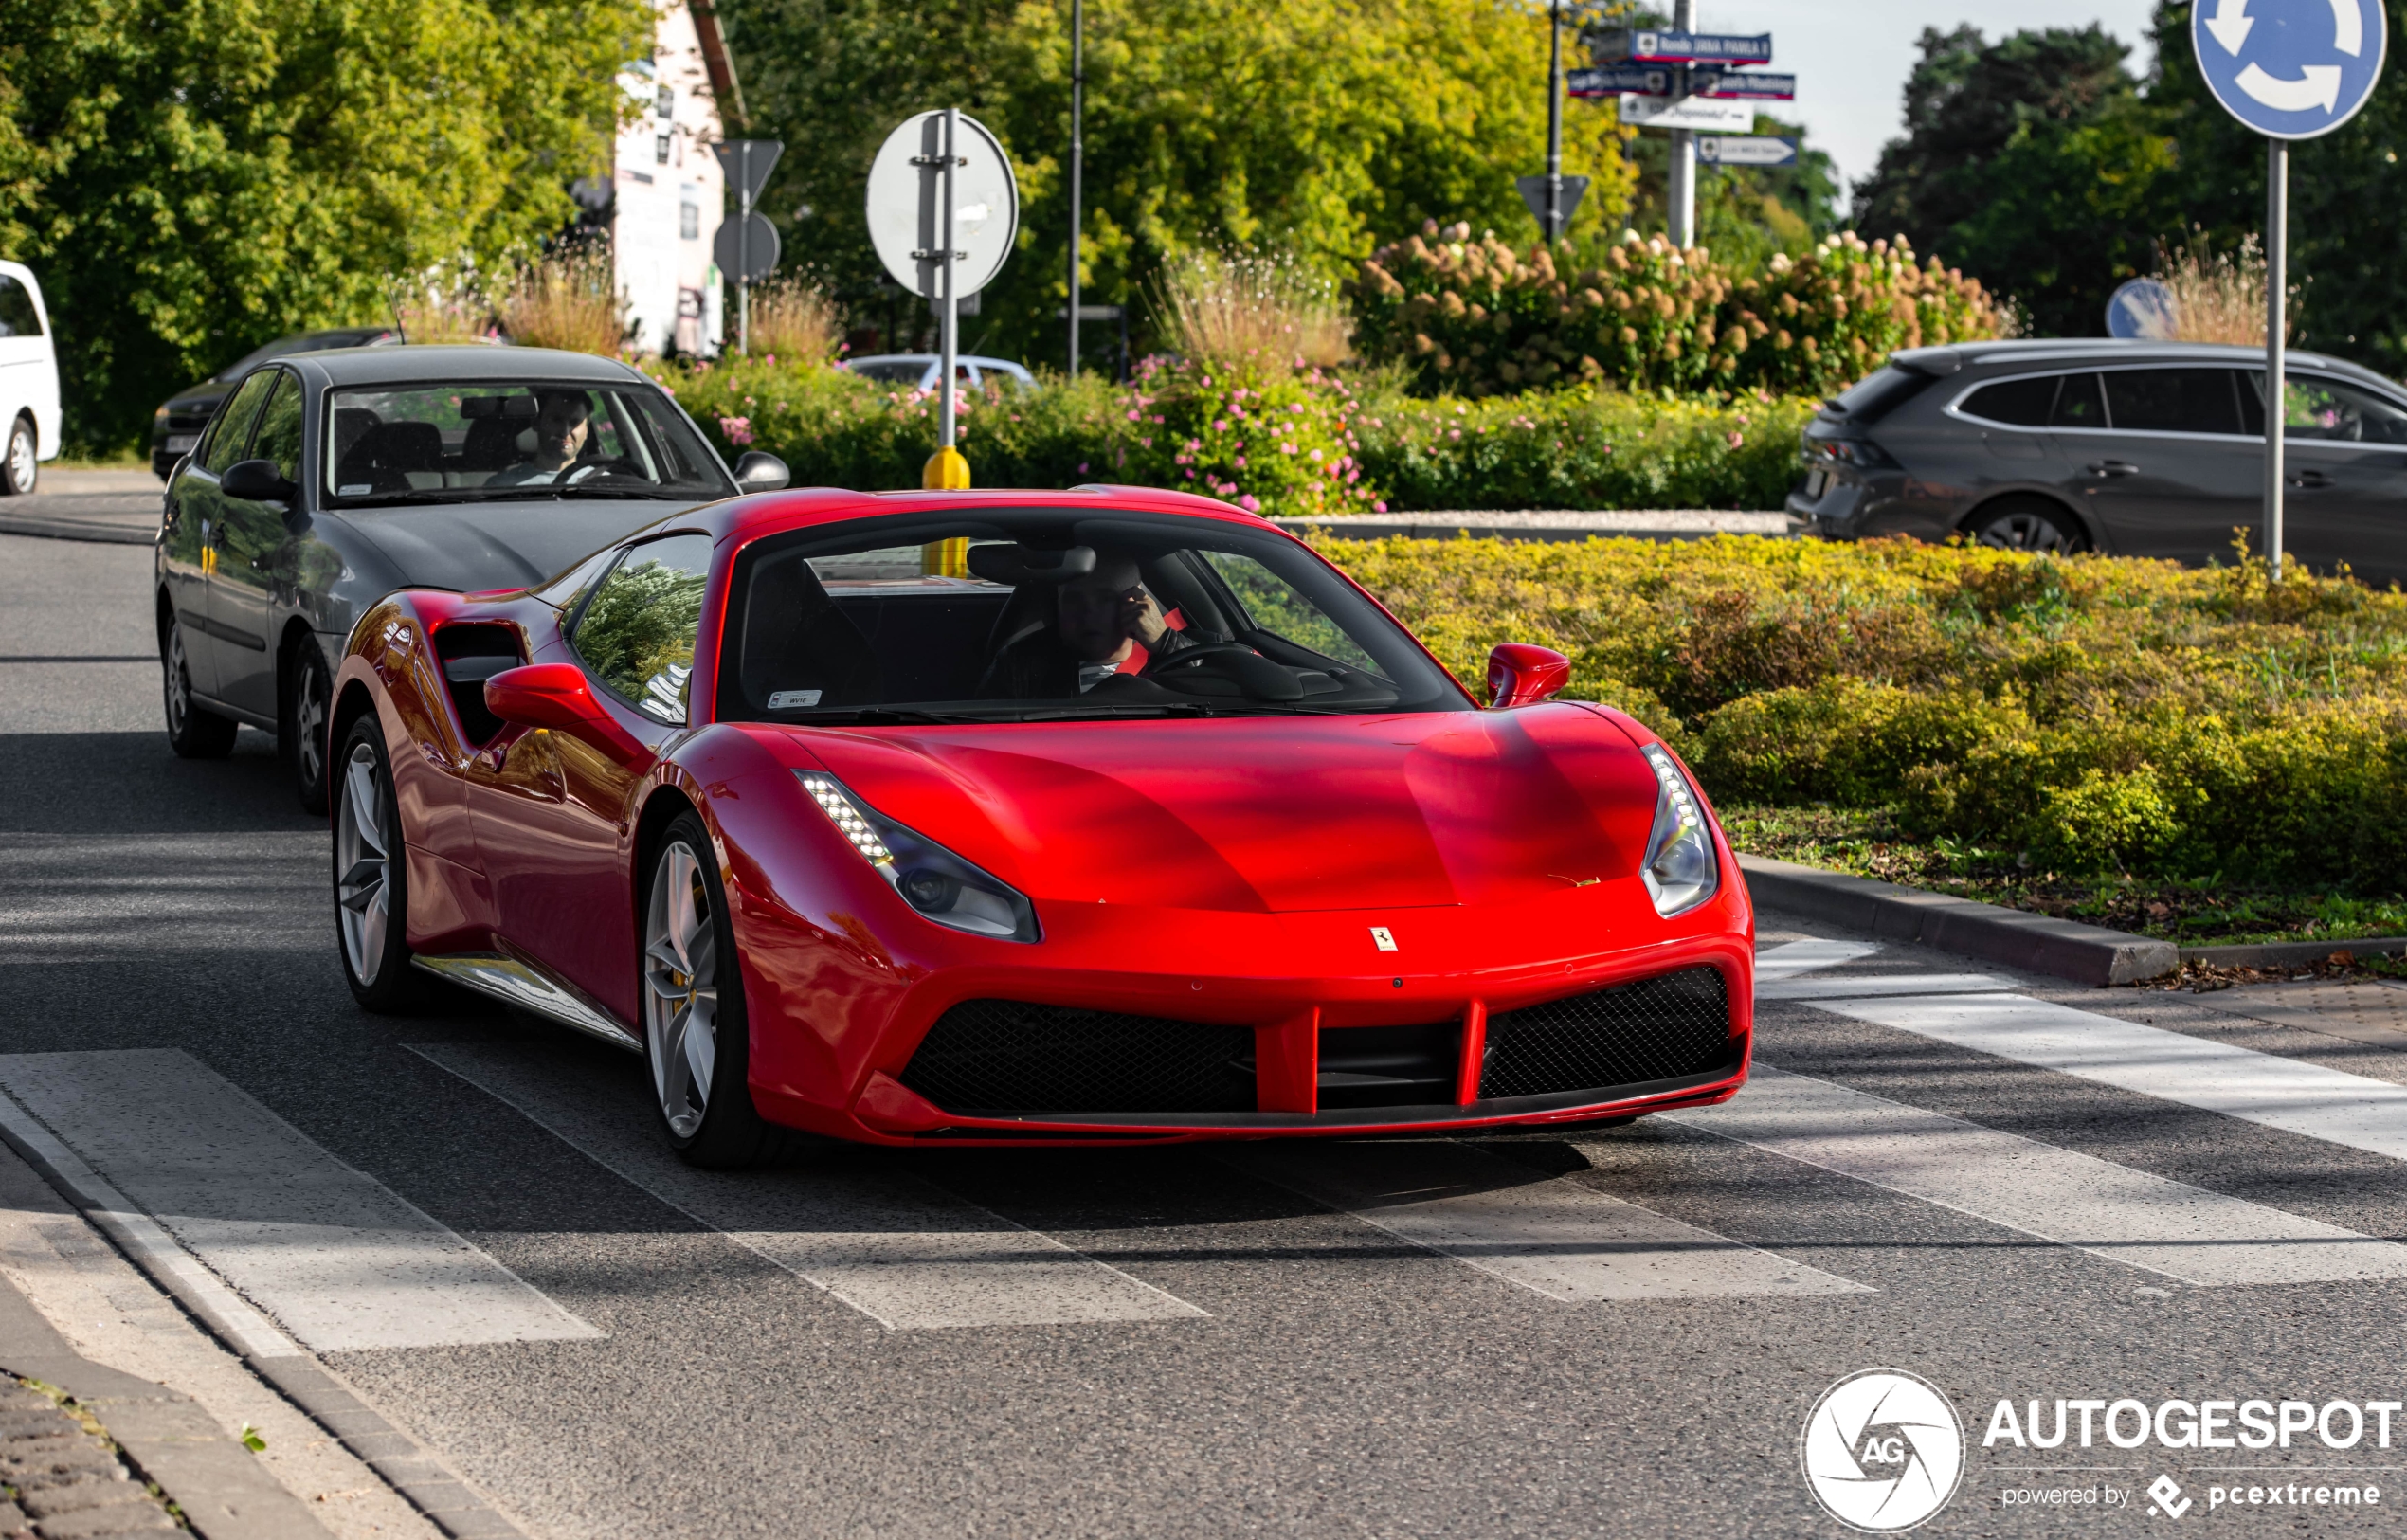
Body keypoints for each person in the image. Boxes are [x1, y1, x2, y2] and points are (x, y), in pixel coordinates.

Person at [485, 390, 596, 486]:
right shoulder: (502, 486)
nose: (565, 432)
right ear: (536, 423)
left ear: (586, 431)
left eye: (574, 423)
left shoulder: (601, 482)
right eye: (557, 420)